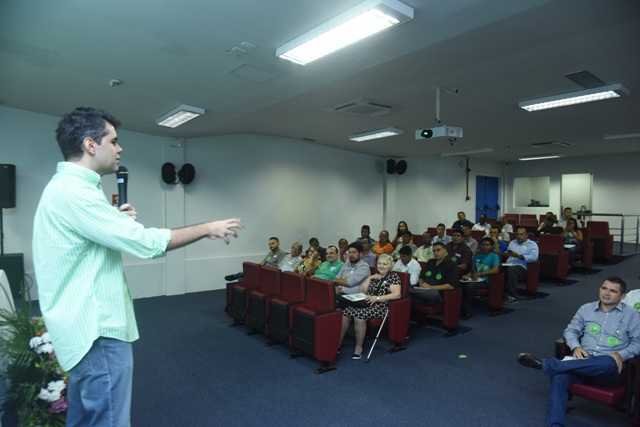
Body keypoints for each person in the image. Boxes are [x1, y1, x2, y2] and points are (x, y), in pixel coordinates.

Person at [32, 107, 243, 426]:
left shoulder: (68, 189)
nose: (119, 148)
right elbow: (146, 243)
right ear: (91, 145)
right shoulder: (74, 193)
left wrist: (113, 220)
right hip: (96, 333)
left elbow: (85, 245)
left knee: (84, 419)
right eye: (113, 141)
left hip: (83, 331)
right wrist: (206, 228)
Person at [517, 277, 640, 427]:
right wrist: (576, 347)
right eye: (604, 288)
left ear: (622, 297)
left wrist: (621, 355)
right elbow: (570, 331)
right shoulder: (586, 309)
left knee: (609, 362)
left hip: (605, 372)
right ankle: (555, 425)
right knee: (559, 378)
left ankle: (546, 364)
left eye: (613, 291)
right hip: (581, 362)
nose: (606, 293)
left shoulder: (632, 315)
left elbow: (637, 343)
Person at [339, 254, 401, 360]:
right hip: (367, 303)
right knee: (346, 312)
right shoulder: (375, 276)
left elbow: (397, 294)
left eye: (385, 264)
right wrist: (369, 279)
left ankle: (358, 348)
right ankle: (337, 344)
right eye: (379, 263)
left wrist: (377, 298)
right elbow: (362, 291)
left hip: (382, 307)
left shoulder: (393, 277)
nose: (381, 266)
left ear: (390, 266)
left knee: (359, 316)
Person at [461, 237, 501, 319]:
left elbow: (495, 270)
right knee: (459, 284)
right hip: (474, 279)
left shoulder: (494, 256)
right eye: (483, 245)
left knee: (470, 286)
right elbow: (472, 270)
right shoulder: (477, 256)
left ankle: (468, 310)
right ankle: (461, 307)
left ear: (491, 246)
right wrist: (468, 275)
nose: (485, 246)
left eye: (487, 245)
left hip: (485, 280)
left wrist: (481, 273)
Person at [409, 242, 459, 307]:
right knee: (407, 293)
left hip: (437, 294)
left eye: (438, 250)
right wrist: (421, 283)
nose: (436, 252)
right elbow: (422, 277)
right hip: (423, 290)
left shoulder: (451, 264)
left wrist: (430, 287)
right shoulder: (430, 262)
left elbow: (451, 286)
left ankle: (413, 293)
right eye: (434, 251)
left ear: (444, 251)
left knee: (432, 293)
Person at [503, 227, 539, 304]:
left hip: (521, 266)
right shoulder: (512, 242)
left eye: (521, 234)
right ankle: (496, 294)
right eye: (517, 234)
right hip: (508, 263)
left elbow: (534, 257)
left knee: (511, 269)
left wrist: (519, 256)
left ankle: (513, 296)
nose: (519, 236)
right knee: (496, 268)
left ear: (526, 235)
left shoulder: (532, 244)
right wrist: (506, 254)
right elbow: (507, 251)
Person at [334, 242, 371, 307]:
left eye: (354, 252)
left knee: (334, 299)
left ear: (360, 254)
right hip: (342, 294)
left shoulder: (364, 267)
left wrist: (339, 286)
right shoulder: (346, 264)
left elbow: (349, 282)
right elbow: (336, 278)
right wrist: (336, 286)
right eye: (350, 252)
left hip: (355, 296)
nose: (351, 255)